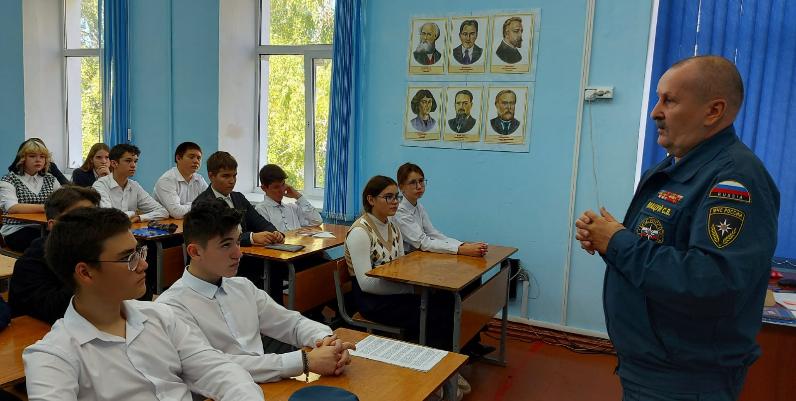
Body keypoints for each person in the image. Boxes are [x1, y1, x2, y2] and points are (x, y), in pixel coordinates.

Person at [575, 55, 779, 400]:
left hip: (684, 378)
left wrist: (619, 242)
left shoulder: (734, 179)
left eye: (669, 101)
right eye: (658, 99)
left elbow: (712, 281)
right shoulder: (674, 167)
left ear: (713, 111)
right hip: (651, 365)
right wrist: (609, 237)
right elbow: (662, 244)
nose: (655, 112)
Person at [22, 207, 264, 400]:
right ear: (85, 273)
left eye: (139, 252)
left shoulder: (160, 316)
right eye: (128, 258)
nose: (143, 264)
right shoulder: (53, 357)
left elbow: (221, 371)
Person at [157, 201, 354, 383]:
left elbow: (292, 324)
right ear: (195, 252)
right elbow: (215, 366)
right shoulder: (171, 308)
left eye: (237, 242)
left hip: (266, 386)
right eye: (226, 245)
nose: (238, 253)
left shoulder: (242, 287)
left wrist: (327, 342)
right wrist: (304, 361)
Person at [344, 176, 469, 397]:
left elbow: (402, 265)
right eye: (388, 197)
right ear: (371, 199)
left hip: (394, 290)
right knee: (434, 313)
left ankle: (444, 369)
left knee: (446, 300)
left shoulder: (392, 226)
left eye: (396, 197)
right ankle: (435, 379)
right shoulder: (360, 232)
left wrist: (417, 284)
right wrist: (411, 290)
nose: (395, 202)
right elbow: (366, 283)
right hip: (372, 300)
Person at [394, 162, 494, 358]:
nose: (419, 186)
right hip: (409, 269)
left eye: (421, 181)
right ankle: (453, 349)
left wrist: (462, 245)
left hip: (422, 262)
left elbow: (434, 233)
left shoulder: (417, 206)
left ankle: (470, 343)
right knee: (450, 295)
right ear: (401, 187)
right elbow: (422, 242)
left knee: (471, 281)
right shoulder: (400, 211)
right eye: (413, 183)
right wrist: (461, 250)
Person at [8, 186, 100, 324]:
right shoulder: (31, 261)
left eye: (94, 216)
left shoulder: (96, 250)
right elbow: (53, 311)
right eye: (79, 217)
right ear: (54, 225)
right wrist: (90, 272)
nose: (91, 224)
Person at [193, 151, 283, 247]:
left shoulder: (239, 198)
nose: (232, 181)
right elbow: (217, 237)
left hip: (246, 252)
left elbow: (260, 222)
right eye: (226, 176)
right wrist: (251, 237)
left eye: (234, 175)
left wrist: (274, 233)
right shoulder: (201, 203)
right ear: (211, 176)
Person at [0, 139, 61, 251]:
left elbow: (62, 201)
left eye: (42, 157)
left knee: (71, 239)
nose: (38, 160)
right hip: (17, 229)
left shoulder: (51, 179)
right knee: (49, 245)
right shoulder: (9, 179)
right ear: (22, 159)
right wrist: (47, 207)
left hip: (46, 226)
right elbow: (12, 207)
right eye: (32, 156)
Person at [92, 143, 168, 222]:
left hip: (130, 229)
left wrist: (139, 218)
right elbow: (108, 217)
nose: (133, 165)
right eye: (128, 161)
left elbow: (163, 212)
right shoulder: (100, 185)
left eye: (135, 161)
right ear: (114, 163)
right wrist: (132, 213)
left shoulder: (134, 186)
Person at [255, 164, 322, 232]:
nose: (281, 190)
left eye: (283, 184)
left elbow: (317, 221)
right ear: (264, 188)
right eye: (276, 187)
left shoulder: (292, 208)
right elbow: (269, 235)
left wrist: (298, 196)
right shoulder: (261, 210)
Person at [153, 141, 209, 218]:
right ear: (178, 158)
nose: (196, 161)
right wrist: (200, 205)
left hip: (191, 221)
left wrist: (197, 205)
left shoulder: (199, 179)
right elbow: (177, 213)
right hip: (166, 223)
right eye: (191, 157)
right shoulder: (167, 180)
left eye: (199, 158)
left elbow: (212, 203)